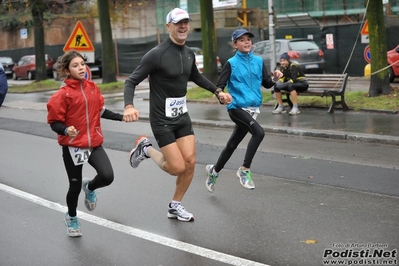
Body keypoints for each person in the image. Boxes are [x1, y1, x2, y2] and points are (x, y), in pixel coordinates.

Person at [123, 8, 232, 222]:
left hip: (181, 116)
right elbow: (131, 81)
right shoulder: (156, 54)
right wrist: (128, 106)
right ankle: (146, 149)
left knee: (190, 161)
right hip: (162, 120)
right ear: (168, 27)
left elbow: (196, 76)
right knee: (176, 168)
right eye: (178, 23)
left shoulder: (188, 53)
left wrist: (218, 92)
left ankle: (175, 205)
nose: (183, 26)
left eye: (186, 23)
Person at [47, 50, 129, 237]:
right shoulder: (62, 95)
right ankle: (72, 217)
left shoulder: (92, 87)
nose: (81, 68)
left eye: (82, 64)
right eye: (75, 66)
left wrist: (122, 117)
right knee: (74, 186)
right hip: (73, 146)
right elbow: (54, 122)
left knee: (107, 176)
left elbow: (101, 111)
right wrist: (66, 130)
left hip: (93, 144)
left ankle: (90, 187)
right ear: (67, 71)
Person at [205, 29, 283, 192]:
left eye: (248, 39)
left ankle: (214, 171)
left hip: (253, 108)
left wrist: (275, 78)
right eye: (242, 40)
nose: (247, 42)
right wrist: (222, 95)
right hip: (237, 107)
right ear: (235, 44)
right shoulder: (231, 63)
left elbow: (267, 83)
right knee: (259, 133)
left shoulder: (259, 61)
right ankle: (244, 169)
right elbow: (220, 85)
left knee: (232, 144)